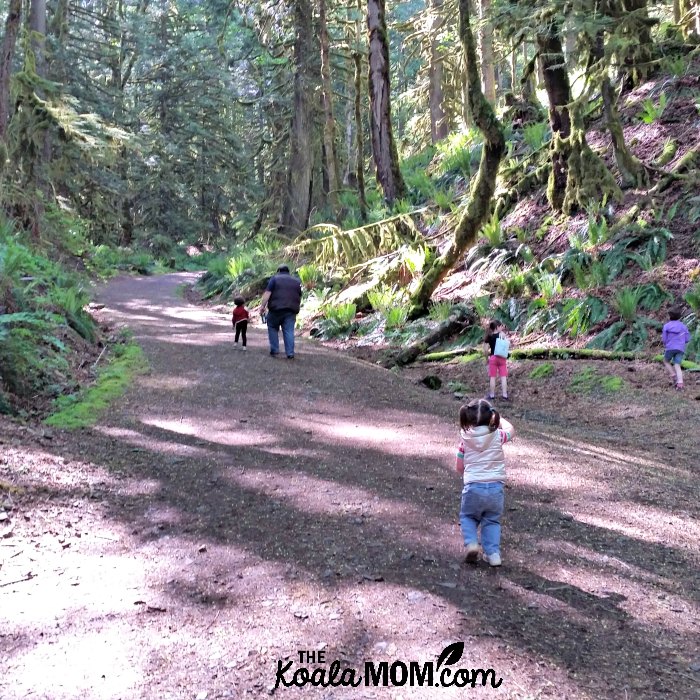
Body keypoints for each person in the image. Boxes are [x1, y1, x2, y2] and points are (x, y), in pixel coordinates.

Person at [455, 398, 515, 567]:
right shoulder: (498, 435)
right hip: (495, 488)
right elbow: (511, 430)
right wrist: (501, 419)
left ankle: (472, 543)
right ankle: (493, 554)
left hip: (473, 487)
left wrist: (466, 474)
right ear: (491, 417)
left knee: (467, 516)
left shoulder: (465, 440)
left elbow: (459, 466)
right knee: (492, 520)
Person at [258, 265, 302, 359]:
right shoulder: (296, 281)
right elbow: (299, 295)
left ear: (278, 271)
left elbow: (267, 293)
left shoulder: (274, 279)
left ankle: (275, 349)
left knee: (272, 327)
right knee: (289, 331)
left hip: (275, 309)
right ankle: (290, 353)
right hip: (291, 309)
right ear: (288, 272)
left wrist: (262, 306)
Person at [662, 306, 691, 391]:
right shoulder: (683, 326)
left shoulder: (666, 326)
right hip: (680, 348)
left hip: (670, 347)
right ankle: (680, 384)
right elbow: (687, 339)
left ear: (669, 316)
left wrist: (667, 343)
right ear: (679, 316)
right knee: (677, 365)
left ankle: (673, 375)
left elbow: (664, 339)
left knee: (666, 361)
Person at [484, 320, 509, 401]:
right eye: (500, 326)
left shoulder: (489, 337)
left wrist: (486, 359)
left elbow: (485, 349)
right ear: (497, 327)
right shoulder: (502, 335)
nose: (502, 327)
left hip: (493, 358)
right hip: (502, 357)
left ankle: (492, 395)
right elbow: (507, 344)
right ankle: (504, 395)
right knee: (503, 377)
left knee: (492, 377)